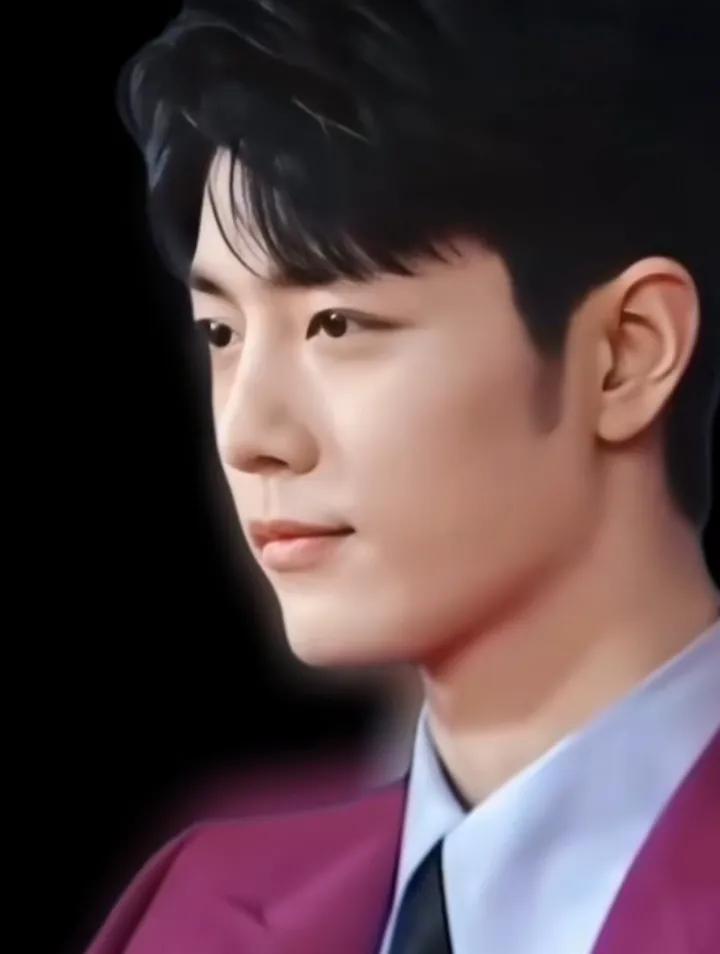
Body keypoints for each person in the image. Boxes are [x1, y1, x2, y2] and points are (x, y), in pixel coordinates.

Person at [89, 2, 719, 951]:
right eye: (221, 331)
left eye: (337, 325)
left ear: (626, 355)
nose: (249, 436)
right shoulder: (194, 907)